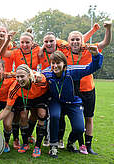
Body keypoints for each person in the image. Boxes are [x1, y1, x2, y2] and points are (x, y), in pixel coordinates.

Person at [42, 47, 103, 158]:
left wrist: (96, 56)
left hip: (73, 102)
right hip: (56, 101)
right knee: (54, 116)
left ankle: (70, 142)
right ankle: (53, 146)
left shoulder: (72, 71)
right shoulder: (46, 73)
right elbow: (34, 76)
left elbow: (91, 68)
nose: (55, 66)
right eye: (53, 63)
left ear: (64, 63)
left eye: (58, 63)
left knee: (79, 128)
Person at [62, 22, 111, 155]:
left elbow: (105, 43)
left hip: (88, 89)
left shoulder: (88, 48)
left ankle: (88, 146)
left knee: (88, 117)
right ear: (68, 41)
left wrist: (108, 29)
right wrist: (92, 30)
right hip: (71, 90)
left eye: (78, 39)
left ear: (82, 41)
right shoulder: (64, 49)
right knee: (75, 119)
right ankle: (73, 143)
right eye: (72, 39)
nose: (75, 41)